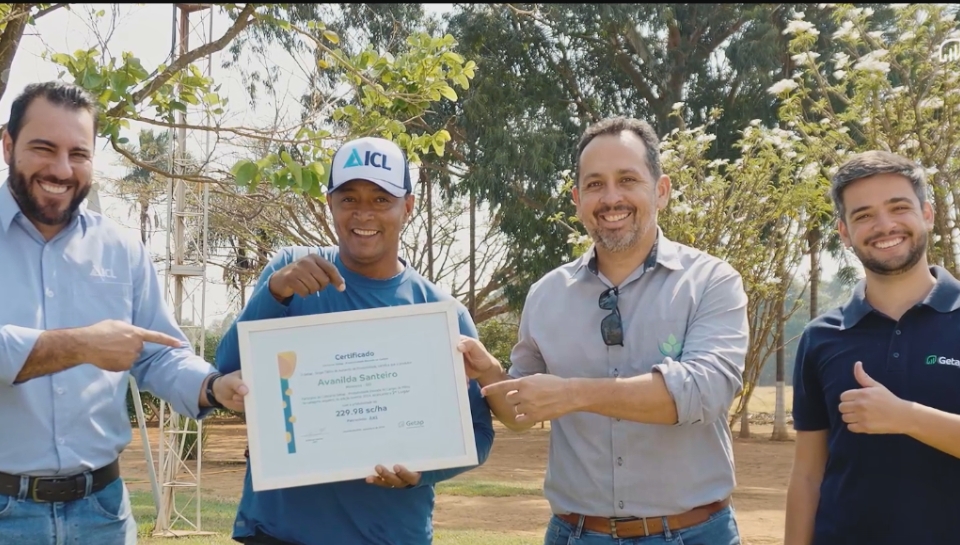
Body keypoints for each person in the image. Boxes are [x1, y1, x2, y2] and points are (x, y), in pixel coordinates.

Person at [460, 116, 749, 545]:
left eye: (627, 179)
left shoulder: (711, 281)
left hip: (693, 534)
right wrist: (488, 373)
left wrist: (575, 393)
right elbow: (521, 412)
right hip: (577, 534)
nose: (611, 198)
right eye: (595, 185)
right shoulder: (546, 295)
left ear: (661, 190)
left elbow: (703, 391)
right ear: (577, 200)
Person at [0, 81, 248, 545]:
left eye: (79, 153)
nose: (61, 168)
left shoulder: (120, 249)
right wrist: (81, 345)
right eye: (43, 148)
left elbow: (157, 354)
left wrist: (214, 387)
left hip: (103, 513)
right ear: (8, 144)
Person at [215, 135, 495, 545]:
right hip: (277, 533)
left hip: (389, 535)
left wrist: (424, 472)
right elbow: (226, 370)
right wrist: (274, 293)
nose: (364, 213)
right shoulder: (288, 274)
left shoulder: (441, 313)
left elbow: (478, 432)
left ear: (408, 207)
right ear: (330, 203)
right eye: (349, 199)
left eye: (382, 199)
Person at [784, 151, 960, 545]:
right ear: (845, 233)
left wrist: (905, 417)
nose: (884, 225)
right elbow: (808, 474)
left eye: (898, 207)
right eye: (863, 215)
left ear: (927, 214)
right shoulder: (820, 336)